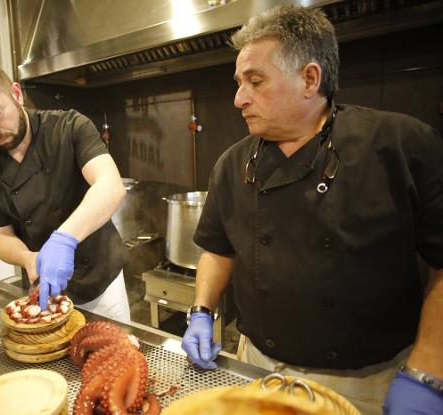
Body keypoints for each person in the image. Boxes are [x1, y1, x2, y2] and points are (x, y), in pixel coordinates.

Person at [181, 5, 443, 414]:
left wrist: (427, 371)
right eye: (238, 82)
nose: (238, 99)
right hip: (258, 369)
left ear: (309, 78)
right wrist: (201, 311)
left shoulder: (399, 146)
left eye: (254, 81)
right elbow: (217, 249)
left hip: (366, 384)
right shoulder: (232, 164)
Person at [0, 59, 131, 323]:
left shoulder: (69, 127)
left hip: (100, 283)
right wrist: (27, 257)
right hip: (43, 286)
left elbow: (110, 186)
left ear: (16, 93)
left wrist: (63, 240)